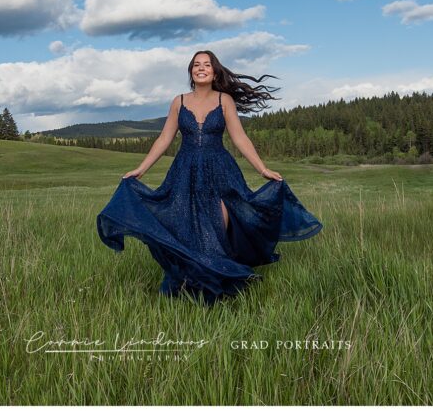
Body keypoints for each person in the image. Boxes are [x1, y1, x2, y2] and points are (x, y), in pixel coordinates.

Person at [96, 50, 323, 304]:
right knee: (188, 228)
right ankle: (193, 287)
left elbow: (239, 138)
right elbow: (164, 139)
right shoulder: (179, 101)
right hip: (185, 171)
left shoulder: (224, 100)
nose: (201, 68)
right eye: (196, 65)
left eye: (206, 64)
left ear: (214, 71)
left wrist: (262, 169)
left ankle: (220, 283)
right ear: (191, 72)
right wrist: (141, 169)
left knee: (218, 225)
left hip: (221, 171)